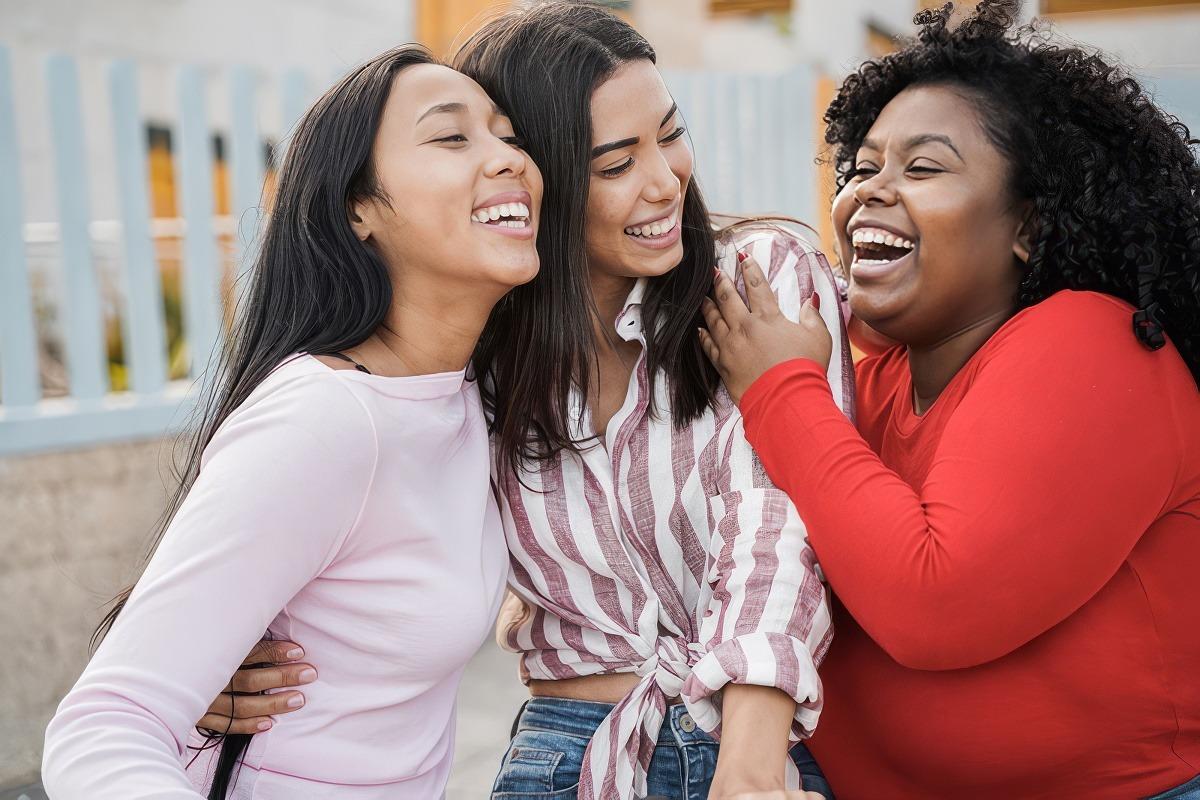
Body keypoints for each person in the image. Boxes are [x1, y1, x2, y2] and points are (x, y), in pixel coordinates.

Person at [203, 4, 848, 798]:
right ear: (539, 176)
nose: (664, 181)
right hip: (560, 755)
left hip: (750, 744)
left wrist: (750, 772)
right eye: (614, 165)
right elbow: (345, 500)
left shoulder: (759, 275)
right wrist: (215, 651)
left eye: (670, 134)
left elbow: (777, 528)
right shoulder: (482, 350)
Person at [700, 2, 1200, 798]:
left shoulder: (1094, 344)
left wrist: (778, 388)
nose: (871, 192)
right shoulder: (871, 380)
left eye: (922, 169)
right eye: (861, 168)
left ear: (1027, 227)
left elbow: (933, 606)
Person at [42, 45, 543, 799]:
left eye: (510, 135)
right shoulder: (326, 418)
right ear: (359, 209)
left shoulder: (474, 396)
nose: (508, 159)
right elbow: (105, 726)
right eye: (451, 137)